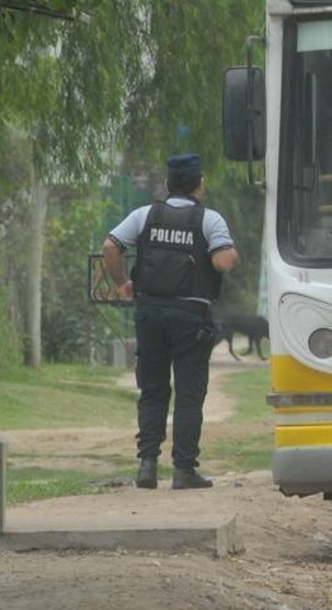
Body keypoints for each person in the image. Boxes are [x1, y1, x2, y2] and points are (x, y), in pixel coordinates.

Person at [101, 154, 239, 490]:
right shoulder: (210, 220)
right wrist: (227, 253)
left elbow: (111, 246)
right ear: (200, 184)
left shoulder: (144, 214)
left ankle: (147, 466)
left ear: (167, 184)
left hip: (150, 314)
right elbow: (224, 263)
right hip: (190, 318)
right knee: (190, 394)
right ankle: (183, 470)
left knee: (152, 390)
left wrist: (122, 284)